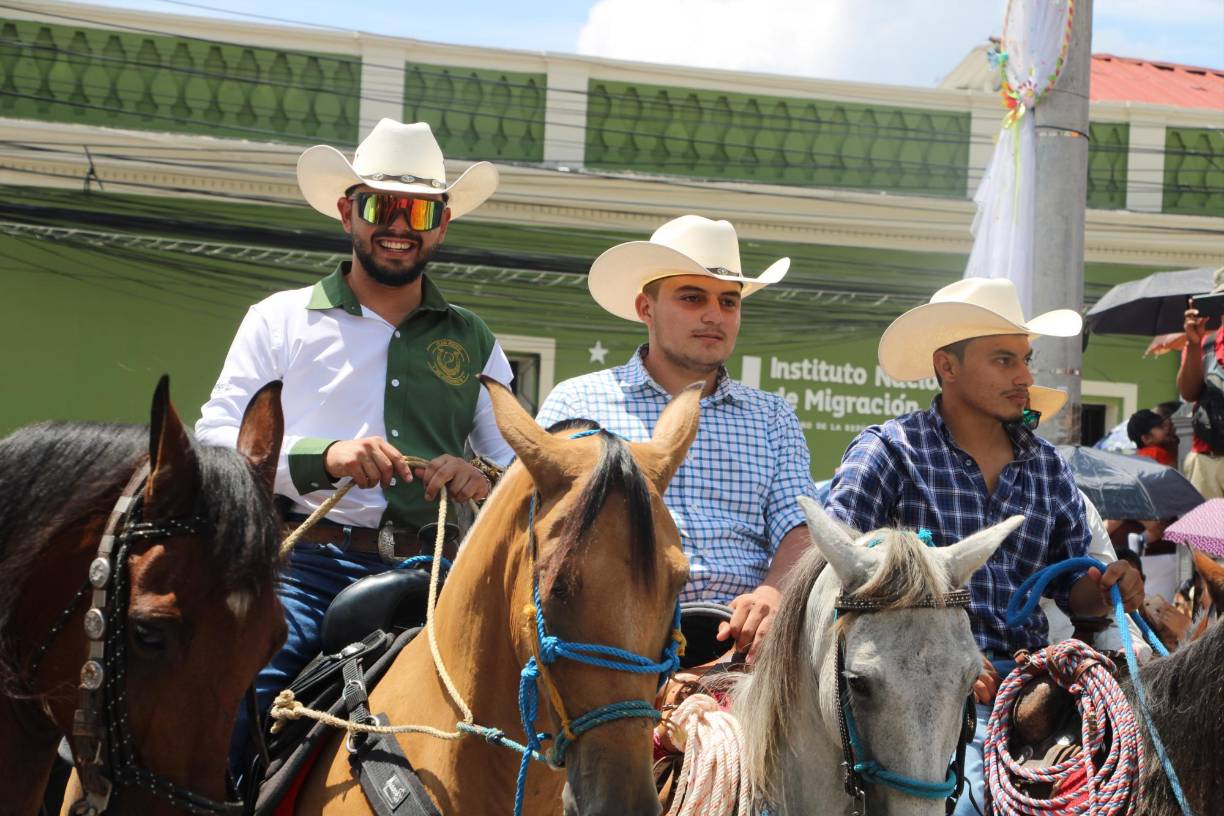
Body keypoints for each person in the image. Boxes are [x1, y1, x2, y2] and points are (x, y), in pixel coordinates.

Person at [195, 119, 514, 769]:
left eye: (419, 210)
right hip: (305, 568)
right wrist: (323, 457)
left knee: (508, 722)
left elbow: (517, 464)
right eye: (380, 206)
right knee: (234, 707)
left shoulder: (475, 340)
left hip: (435, 575)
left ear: (442, 224)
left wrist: (479, 476)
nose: (399, 225)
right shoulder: (280, 320)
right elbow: (215, 443)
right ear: (348, 213)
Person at [823, 277, 1144, 815]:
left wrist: (1111, 585)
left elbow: (1076, 591)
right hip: (917, 695)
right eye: (1003, 360)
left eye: (1025, 359)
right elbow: (833, 576)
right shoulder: (890, 453)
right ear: (947, 366)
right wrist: (947, 666)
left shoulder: (1045, 467)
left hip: (1030, 686)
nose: (1024, 377)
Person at [534, 215, 815, 660]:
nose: (714, 315)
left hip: (743, 642)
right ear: (645, 308)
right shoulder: (578, 402)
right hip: (613, 643)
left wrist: (774, 592)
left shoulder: (772, 417)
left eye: (729, 301)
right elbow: (537, 530)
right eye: (692, 297)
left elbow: (799, 527)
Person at [1177, 266, 1224, 498]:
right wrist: (1193, 343)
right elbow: (1188, 392)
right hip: (1207, 462)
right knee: (1206, 523)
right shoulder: (1205, 343)